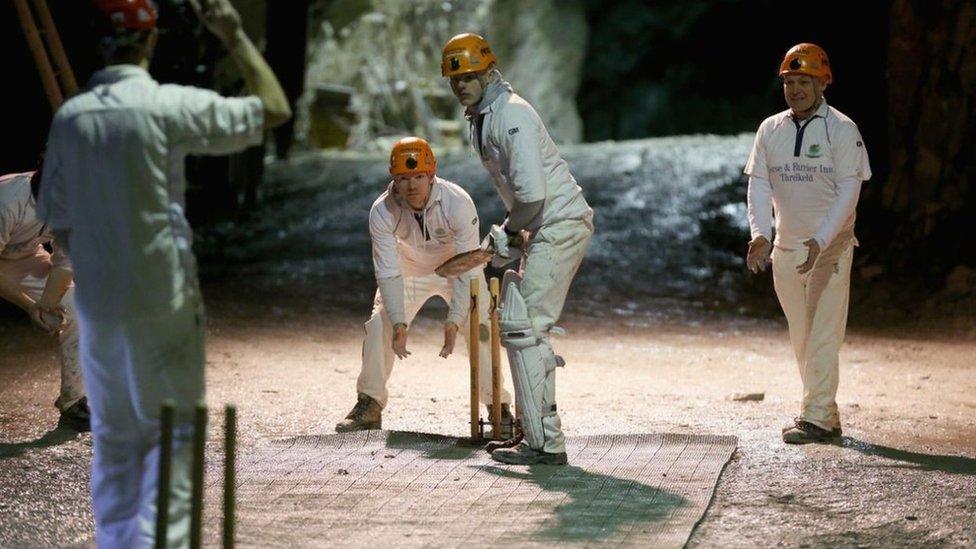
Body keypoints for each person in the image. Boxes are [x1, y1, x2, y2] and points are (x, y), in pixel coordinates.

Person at [36, 0, 291, 545]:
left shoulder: (71, 119)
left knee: (114, 436)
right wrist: (233, 34)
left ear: (98, 44)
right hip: (163, 294)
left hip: (99, 302)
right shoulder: (165, 106)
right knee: (171, 436)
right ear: (150, 43)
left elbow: (60, 222)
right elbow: (273, 109)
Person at [441, 33, 594, 465]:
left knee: (526, 328)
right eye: (455, 79)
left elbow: (532, 197)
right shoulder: (484, 116)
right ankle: (535, 434)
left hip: (558, 224)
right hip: (544, 228)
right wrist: (516, 233)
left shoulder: (511, 115)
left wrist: (506, 233)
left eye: (469, 76)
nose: (461, 85)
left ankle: (545, 443)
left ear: (489, 72)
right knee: (520, 325)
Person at [336, 137, 513, 434]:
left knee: (480, 324)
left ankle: (497, 406)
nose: (411, 185)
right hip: (408, 270)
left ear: (431, 175)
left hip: (456, 267)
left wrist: (455, 319)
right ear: (394, 180)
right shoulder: (382, 210)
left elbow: (467, 266)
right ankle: (369, 403)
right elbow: (388, 272)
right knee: (380, 324)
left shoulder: (457, 201)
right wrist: (400, 322)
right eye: (403, 178)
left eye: (418, 176)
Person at [744, 43, 871, 444]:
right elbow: (759, 184)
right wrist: (761, 233)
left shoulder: (842, 129)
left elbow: (848, 191)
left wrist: (821, 239)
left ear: (823, 83)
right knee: (802, 334)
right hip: (787, 248)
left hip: (830, 248)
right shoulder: (771, 130)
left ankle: (814, 416)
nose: (796, 89)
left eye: (805, 82)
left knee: (822, 333)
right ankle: (824, 414)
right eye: (790, 82)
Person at [0, 168, 88, 431]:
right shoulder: (7, 198)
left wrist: (47, 305)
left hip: (20, 257)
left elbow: (64, 262)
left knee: (76, 306)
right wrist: (29, 305)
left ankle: (74, 400)